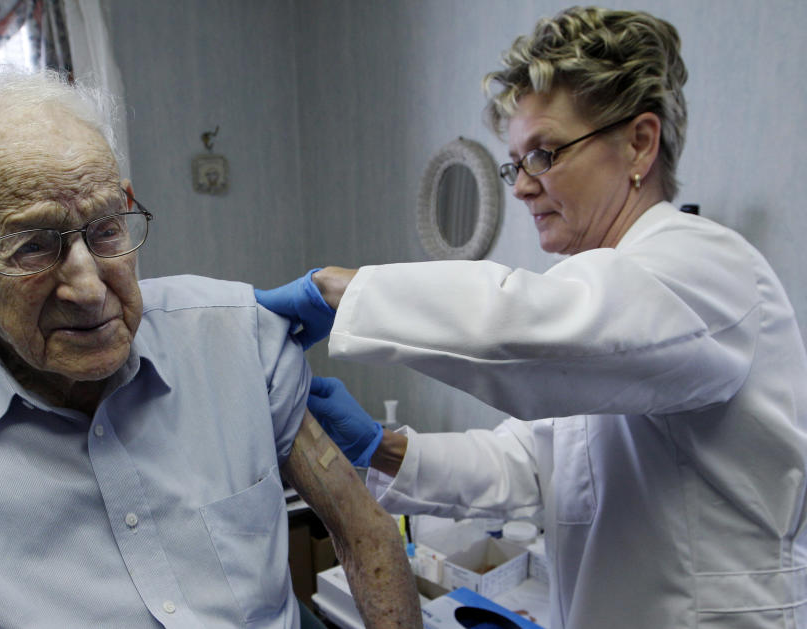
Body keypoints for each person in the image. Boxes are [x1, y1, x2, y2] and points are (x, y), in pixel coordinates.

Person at [256, 7, 807, 628]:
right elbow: (534, 468)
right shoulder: (604, 300)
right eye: (516, 163)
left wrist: (339, 290)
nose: (521, 187)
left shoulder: (707, 266)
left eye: (544, 154)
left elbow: (537, 327)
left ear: (640, 142)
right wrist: (379, 446)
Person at [0, 67, 422, 628]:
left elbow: (365, 531)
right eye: (34, 246)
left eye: (105, 230)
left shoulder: (237, 337)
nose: (90, 288)